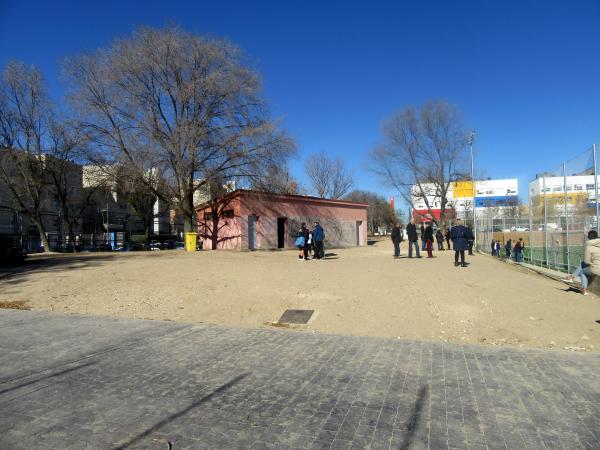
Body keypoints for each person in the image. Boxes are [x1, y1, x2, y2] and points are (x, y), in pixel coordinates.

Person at [563, 230, 600, 295]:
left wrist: (591, 263)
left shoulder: (589, 247)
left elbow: (587, 261)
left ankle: (581, 287)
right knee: (583, 264)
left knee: (582, 271)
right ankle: (572, 278)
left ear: (588, 237)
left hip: (596, 269)